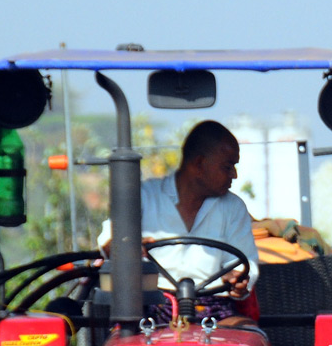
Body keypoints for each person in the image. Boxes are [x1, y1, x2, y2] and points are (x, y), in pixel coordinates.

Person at [99, 120, 260, 324]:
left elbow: (246, 262)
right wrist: (126, 247)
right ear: (199, 164)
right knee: (122, 344)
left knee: (248, 340)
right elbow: (109, 240)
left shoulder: (233, 207)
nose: (234, 175)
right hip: (150, 305)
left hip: (214, 308)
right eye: (228, 167)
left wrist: (239, 280)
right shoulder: (145, 196)